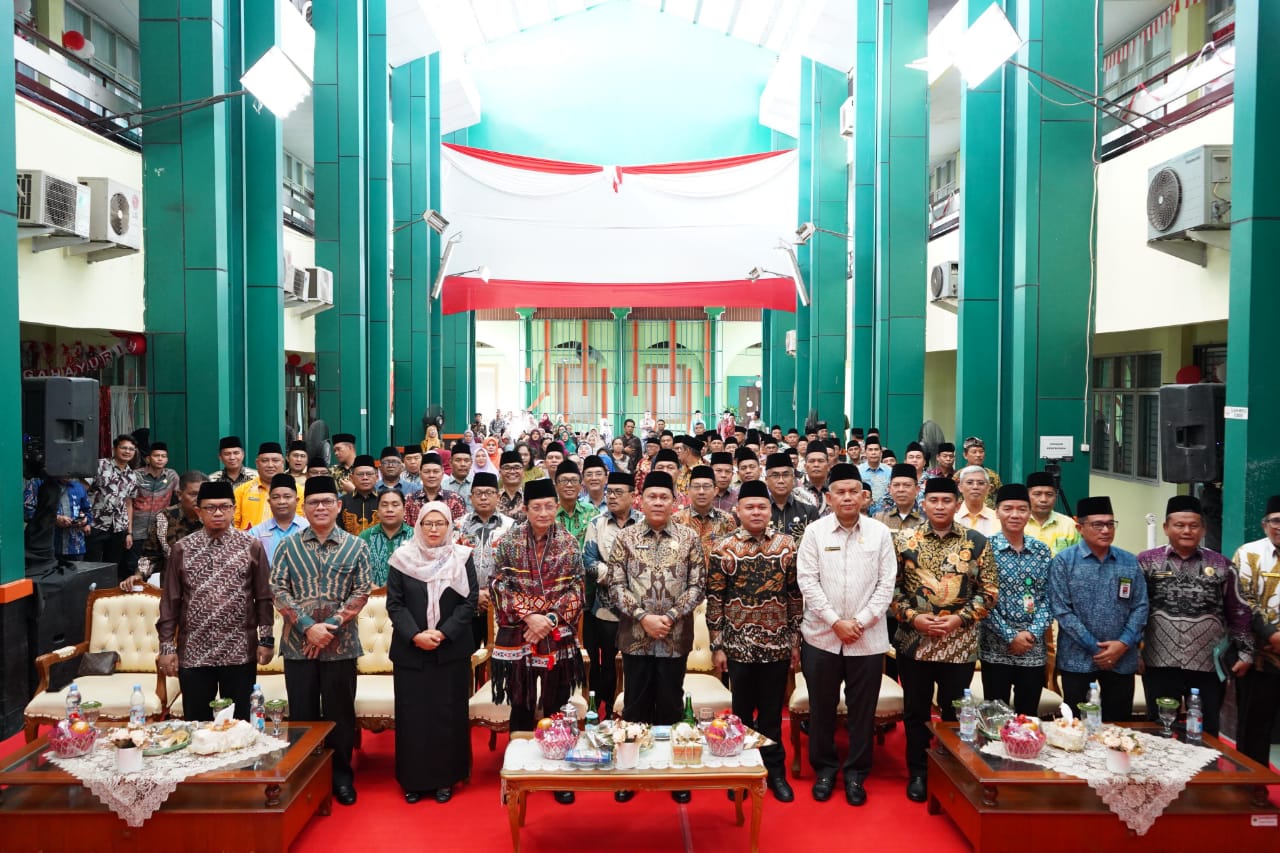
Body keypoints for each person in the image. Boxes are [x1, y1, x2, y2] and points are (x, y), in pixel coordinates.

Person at [891, 477, 997, 803]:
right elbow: (890, 589)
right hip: (914, 643)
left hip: (959, 645)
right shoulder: (904, 540)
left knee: (955, 713)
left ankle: (951, 770)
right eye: (933, 500)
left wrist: (958, 619)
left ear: (957, 504)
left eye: (946, 501)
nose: (939, 506)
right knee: (916, 712)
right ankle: (919, 772)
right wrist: (913, 617)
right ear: (924, 503)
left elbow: (989, 592)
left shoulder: (977, 542)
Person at [795, 467, 896, 806]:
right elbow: (807, 582)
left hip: (867, 640)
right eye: (841, 492)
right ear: (829, 497)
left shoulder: (881, 533)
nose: (848, 497)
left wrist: (861, 621)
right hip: (821, 637)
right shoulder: (814, 532)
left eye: (854, 491)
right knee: (821, 708)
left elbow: (887, 585)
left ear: (864, 495)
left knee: (862, 711)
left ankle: (856, 774)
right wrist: (836, 621)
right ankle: (824, 769)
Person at [271, 476, 374, 807]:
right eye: (313, 502)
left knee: (339, 715)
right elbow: (277, 589)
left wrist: (328, 626)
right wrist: (306, 626)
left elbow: (362, 591)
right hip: (298, 647)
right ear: (304, 507)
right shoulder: (288, 546)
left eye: (327, 501)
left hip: (340, 647)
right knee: (301, 715)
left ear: (338, 506)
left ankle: (341, 776)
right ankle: (304, 776)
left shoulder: (356, 546)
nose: (320, 508)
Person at [605, 471, 705, 804]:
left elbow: (697, 586)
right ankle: (631, 772)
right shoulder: (626, 538)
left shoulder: (689, 538)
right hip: (635, 636)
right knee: (634, 705)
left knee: (671, 705)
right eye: (652, 497)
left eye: (665, 497)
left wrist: (671, 617)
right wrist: (644, 618)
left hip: (675, 638)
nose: (659, 502)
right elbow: (615, 586)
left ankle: (673, 772)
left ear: (675, 502)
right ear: (641, 501)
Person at [490, 478, 585, 806]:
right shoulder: (508, 541)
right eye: (536, 507)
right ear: (525, 509)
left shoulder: (570, 543)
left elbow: (577, 589)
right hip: (520, 633)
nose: (543, 512)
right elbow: (498, 584)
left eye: (549, 506)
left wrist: (550, 622)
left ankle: (559, 774)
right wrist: (531, 617)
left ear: (556, 507)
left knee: (559, 704)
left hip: (557, 636)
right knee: (522, 703)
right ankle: (519, 772)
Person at [708, 479, 804, 803]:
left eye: (762, 506)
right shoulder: (724, 548)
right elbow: (715, 598)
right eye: (749, 506)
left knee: (772, 715)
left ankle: (774, 771)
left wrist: (794, 641)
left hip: (776, 644)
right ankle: (742, 769)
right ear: (738, 510)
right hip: (737, 645)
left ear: (770, 511)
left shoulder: (787, 546)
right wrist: (717, 645)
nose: (756, 511)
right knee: (741, 713)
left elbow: (794, 596)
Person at [157, 480, 274, 722]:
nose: (218, 513)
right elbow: (171, 601)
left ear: (233, 509)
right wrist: (167, 647)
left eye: (224, 506)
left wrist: (266, 640)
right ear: (198, 512)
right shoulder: (182, 549)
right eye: (210, 508)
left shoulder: (251, 546)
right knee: (197, 721)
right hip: (195, 650)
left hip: (239, 648)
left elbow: (263, 596)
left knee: (240, 722)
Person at [1138, 495, 1252, 737]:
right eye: (1179, 525)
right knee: (1159, 728)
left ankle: (1204, 773)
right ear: (1166, 528)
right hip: (1158, 660)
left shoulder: (1222, 565)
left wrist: (1245, 651)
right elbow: (1135, 609)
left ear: (1203, 529)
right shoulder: (1147, 562)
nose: (1187, 530)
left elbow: (1238, 610)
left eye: (1194, 525)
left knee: (1206, 729)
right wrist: (1133, 652)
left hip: (1207, 663)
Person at [387, 503, 478, 804]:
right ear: (419, 525)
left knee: (447, 715)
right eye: (428, 523)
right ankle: (413, 780)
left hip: (450, 650)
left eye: (440, 523)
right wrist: (415, 635)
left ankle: (445, 778)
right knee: (413, 717)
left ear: (450, 525)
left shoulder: (461, 557)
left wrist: (443, 633)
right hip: (411, 651)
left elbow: (470, 602)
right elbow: (395, 605)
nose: (435, 529)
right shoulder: (402, 559)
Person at [1049, 496, 1148, 722]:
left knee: (1119, 725)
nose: (1105, 530)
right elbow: (1062, 611)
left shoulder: (1129, 561)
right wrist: (1096, 648)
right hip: (1077, 659)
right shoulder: (1064, 562)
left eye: (1110, 524)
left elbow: (1141, 606)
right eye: (1098, 525)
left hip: (1121, 659)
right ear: (1079, 527)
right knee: (1077, 725)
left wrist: (1122, 644)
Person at [979, 484, 1054, 716]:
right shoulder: (984, 548)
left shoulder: (1041, 550)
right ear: (997, 512)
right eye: (1008, 509)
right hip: (995, 646)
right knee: (995, 716)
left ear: (1029, 513)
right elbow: (981, 598)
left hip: (1033, 647)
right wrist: (1011, 635)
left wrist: (1031, 633)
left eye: (1022, 509)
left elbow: (1049, 597)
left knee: (1028, 715)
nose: (1015, 515)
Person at [582, 471, 641, 720]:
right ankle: (604, 710)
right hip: (604, 609)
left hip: (638, 609)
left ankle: (633, 711)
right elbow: (589, 560)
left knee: (634, 662)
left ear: (633, 495)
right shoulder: (597, 523)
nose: (613, 497)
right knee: (604, 664)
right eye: (610, 492)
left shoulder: (644, 522)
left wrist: (631, 581)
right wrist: (618, 579)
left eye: (619, 492)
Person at [1232, 494, 1280, 767]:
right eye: (1275, 521)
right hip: (1259, 659)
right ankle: (1251, 787)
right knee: (1253, 728)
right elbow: (1242, 601)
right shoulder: (1249, 554)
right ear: (1265, 525)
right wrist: (1272, 635)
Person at [453, 471, 515, 650]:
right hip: (464, 604)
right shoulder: (458, 525)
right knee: (465, 659)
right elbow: (452, 565)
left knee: (497, 659)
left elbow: (514, 567)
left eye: (489, 493)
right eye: (478, 493)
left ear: (498, 496)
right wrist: (475, 594)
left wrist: (491, 592)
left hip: (499, 605)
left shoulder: (511, 526)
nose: (483, 497)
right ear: (471, 497)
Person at [127, 471, 207, 587]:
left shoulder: (216, 518)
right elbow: (150, 555)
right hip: (173, 587)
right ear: (179, 494)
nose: (199, 499)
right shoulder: (165, 517)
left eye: (203, 494)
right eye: (193, 494)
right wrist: (139, 575)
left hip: (207, 586)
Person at [86, 434, 140, 578]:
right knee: (92, 566)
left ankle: (107, 597)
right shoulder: (100, 465)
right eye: (123, 448)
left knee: (113, 566)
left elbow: (129, 503)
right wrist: (83, 518)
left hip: (118, 527)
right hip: (95, 524)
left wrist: (129, 532)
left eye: (131, 449)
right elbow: (82, 490)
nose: (127, 451)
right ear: (114, 449)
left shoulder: (132, 475)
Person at [129, 442, 178, 577]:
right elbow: (127, 502)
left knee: (156, 568)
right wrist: (128, 532)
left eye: (163, 456)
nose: (160, 459)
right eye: (156, 456)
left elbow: (181, 495)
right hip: (137, 530)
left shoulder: (171, 476)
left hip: (159, 531)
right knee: (133, 566)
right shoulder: (136, 475)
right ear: (148, 459)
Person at [24, 475, 92, 563]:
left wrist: (85, 521)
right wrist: (54, 519)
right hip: (47, 546)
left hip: (75, 547)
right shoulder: (38, 483)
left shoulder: (79, 487)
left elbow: (87, 510)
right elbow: (26, 510)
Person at [673, 465, 738, 556]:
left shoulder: (727, 520)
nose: (701, 492)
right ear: (689, 491)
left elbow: (733, 552)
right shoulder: (676, 520)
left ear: (715, 491)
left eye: (706, 487)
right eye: (696, 487)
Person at [247, 473, 309, 565]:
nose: (281, 501)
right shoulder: (256, 533)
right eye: (276, 497)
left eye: (287, 497)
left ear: (297, 501)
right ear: (269, 501)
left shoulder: (308, 529)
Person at [234, 442, 298, 531]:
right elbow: (234, 524)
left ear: (283, 463)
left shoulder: (298, 491)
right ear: (257, 463)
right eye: (265, 461)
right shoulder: (241, 491)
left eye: (275, 460)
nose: (270, 465)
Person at [358, 490, 414, 586]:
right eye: (384, 505)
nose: (389, 509)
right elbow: (357, 571)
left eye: (395, 505)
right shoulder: (365, 537)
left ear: (404, 510)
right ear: (378, 511)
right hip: (373, 597)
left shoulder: (415, 536)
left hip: (408, 598)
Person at [1024, 471, 1081, 555]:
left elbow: (1078, 558)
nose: (1043, 499)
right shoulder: (1017, 523)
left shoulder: (1069, 525)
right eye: (1037, 494)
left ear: (1056, 496)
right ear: (1026, 495)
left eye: (1049, 494)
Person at [765, 452, 818, 542]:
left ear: (793, 479)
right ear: (766, 480)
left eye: (785, 475)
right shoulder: (758, 512)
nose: (781, 481)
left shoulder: (809, 511)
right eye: (775, 475)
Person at [404, 452, 466, 528]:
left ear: (442, 473)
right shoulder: (409, 500)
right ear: (420, 474)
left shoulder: (455, 499)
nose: (431, 475)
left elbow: (460, 530)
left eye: (436, 471)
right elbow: (405, 530)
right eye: (427, 472)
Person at [953, 437, 1002, 508]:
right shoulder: (958, 476)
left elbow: (1000, 498)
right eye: (974, 452)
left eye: (981, 452)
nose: (978, 455)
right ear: (965, 455)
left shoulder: (993, 476)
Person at [339, 455, 381, 536]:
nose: (365, 478)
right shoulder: (342, 502)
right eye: (360, 474)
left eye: (369, 474)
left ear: (377, 477)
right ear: (351, 478)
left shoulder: (384, 500)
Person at [875, 463, 924, 528]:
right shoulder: (879, 518)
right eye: (896, 485)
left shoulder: (927, 517)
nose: (901, 490)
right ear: (889, 489)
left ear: (917, 489)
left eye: (907, 485)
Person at [955, 465, 999, 535]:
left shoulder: (997, 519)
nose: (975, 487)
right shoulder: (952, 518)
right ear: (960, 487)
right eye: (969, 483)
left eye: (981, 483)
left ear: (988, 488)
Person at [857, 437, 890, 507]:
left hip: (884, 511)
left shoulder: (889, 471)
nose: (873, 452)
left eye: (876, 449)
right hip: (863, 510)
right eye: (870, 450)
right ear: (865, 452)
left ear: (881, 452)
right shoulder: (858, 471)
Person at [497, 450, 527, 522]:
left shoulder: (530, 497)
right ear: (500, 473)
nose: (512, 472)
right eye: (507, 468)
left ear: (523, 471)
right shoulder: (494, 499)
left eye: (516, 468)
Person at [443, 442, 475, 509]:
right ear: (450, 463)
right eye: (458, 460)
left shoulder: (477, 485)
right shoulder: (442, 486)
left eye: (466, 460)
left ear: (471, 463)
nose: (463, 464)